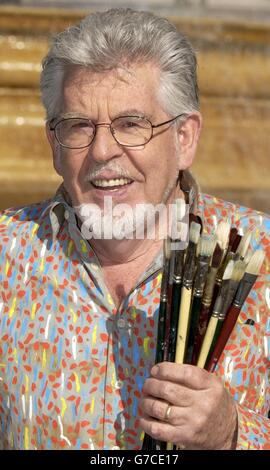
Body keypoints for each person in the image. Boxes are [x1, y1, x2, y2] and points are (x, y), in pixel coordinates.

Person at [0, 8, 269, 451]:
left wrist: (234, 435)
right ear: (53, 143)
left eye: (131, 125)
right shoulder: (8, 255)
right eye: (78, 125)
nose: (103, 150)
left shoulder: (264, 255)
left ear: (185, 138)